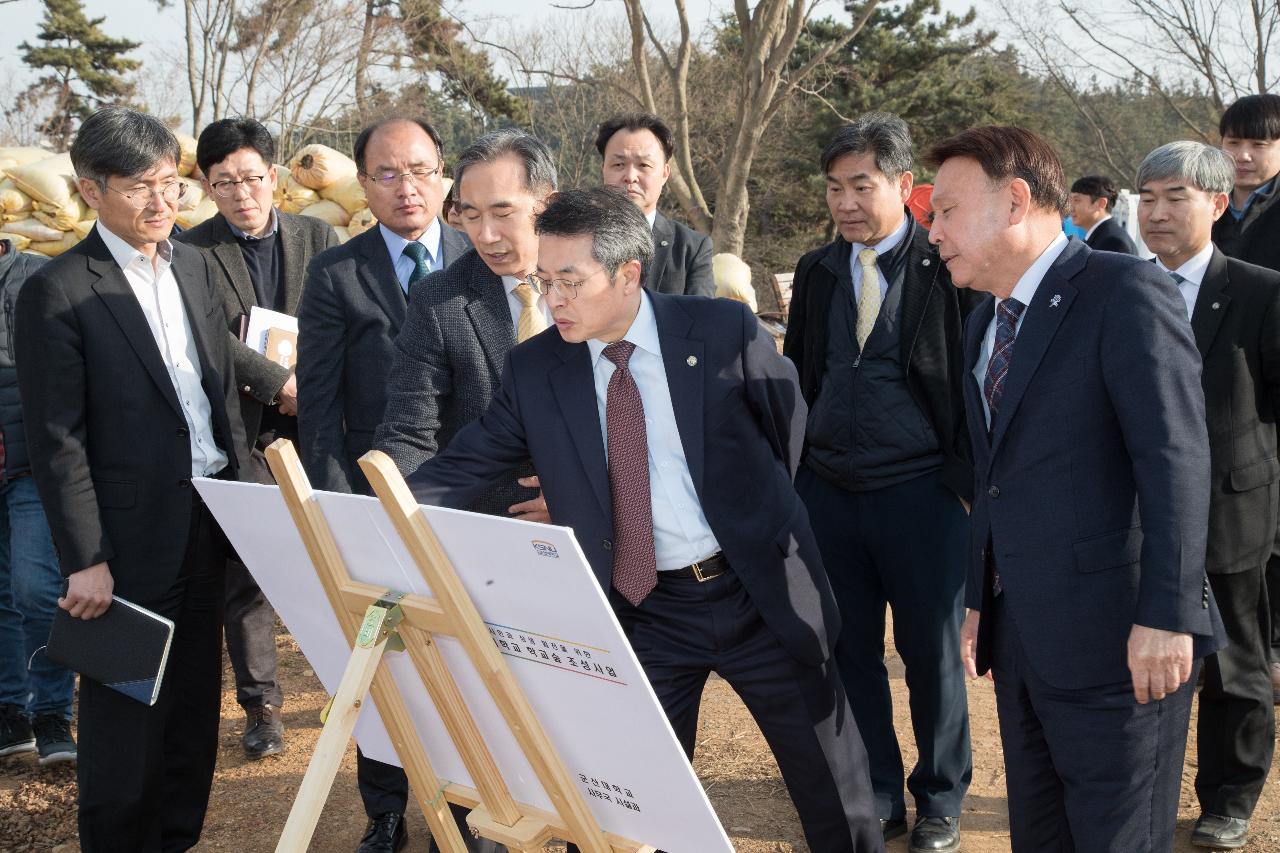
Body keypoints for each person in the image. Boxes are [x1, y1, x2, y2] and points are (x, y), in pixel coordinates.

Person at [405, 186, 884, 853]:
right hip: (644, 609)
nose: (553, 300)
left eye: (571, 281)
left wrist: (751, 519)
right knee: (624, 808)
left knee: (836, 793)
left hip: (759, 594)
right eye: (545, 281)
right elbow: (464, 464)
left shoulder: (721, 332)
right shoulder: (538, 368)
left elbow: (789, 433)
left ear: (628, 274)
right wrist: (374, 511)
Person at [926, 125, 1223, 852]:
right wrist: (977, 600)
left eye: (944, 211)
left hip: (1123, 639)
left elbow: (1175, 460)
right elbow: (995, 477)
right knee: (1043, 835)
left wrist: (1168, 614)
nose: (931, 231)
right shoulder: (983, 323)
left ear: (1016, 201)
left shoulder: (1125, 292)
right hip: (1023, 634)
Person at [15, 106, 248, 852]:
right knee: (124, 718)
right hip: (122, 544)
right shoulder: (58, 290)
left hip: (206, 521)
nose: (162, 203)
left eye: (171, 183)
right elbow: (58, 439)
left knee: (190, 711)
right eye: (141, 187)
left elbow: (216, 388)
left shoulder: (197, 265)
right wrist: (85, 556)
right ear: (90, 189)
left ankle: (177, 837)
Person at [783, 114, 975, 853]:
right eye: (834, 188)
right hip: (830, 491)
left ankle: (941, 798)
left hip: (923, 494)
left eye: (861, 185)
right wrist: (798, 472)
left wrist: (959, 481)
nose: (845, 203)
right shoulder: (817, 269)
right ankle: (879, 790)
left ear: (902, 185)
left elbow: (968, 383)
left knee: (930, 652)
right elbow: (803, 374)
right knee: (850, 649)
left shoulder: (944, 264)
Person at [373, 128, 566, 853]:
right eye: (470, 213)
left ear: (547, 203)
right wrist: (404, 525)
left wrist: (582, 493)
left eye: (505, 212)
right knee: (483, 723)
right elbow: (409, 429)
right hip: (480, 542)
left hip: (596, 542)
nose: (485, 233)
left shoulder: (602, 280)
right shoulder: (440, 300)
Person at [296, 116, 469, 853]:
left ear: (444, 175)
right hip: (374, 501)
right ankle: (388, 807)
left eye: (422, 170)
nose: (408, 187)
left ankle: (468, 798)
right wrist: (341, 512)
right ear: (362, 184)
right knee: (383, 658)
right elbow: (321, 406)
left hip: (468, 501)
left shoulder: (478, 258)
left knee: (465, 659)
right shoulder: (338, 273)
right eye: (389, 173)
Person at [176, 116, 339, 760]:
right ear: (208, 188)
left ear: (274, 178)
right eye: (224, 183)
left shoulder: (317, 234)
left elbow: (341, 311)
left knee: (338, 558)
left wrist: (316, 384)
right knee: (250, 571)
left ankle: (354, 687)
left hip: (325, 422)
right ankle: (262, 706)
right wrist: (279, 383)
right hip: (246, 430)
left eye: (251, 178)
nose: (242, 194)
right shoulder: (193, 252)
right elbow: (207, 336)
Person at [1136, 140, 1280, 850]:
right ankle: (1140, 789)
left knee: (1234, 668)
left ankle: (1230, 794)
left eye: (1175, 198)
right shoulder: (1119, 285)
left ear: (1218, 204)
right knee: (1141, 661)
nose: (1157, 213)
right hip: (1136, 516)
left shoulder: (1260, 291)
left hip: (1231, 513)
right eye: (1148, 198)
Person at [1212, 93, 1280, 703]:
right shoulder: (1207, 211)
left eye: (1258, 144)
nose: (1244, 156)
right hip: (1220, 395)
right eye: (1234, 143)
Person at [0, 238, 76, 767]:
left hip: (30, 462)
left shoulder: (34, 274)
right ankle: (11, 709)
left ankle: (53, 709)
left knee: (37, 588)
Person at [596, 112, 714, 296]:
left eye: (643, 165)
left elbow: (702, 321)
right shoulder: (576, 241)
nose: (630, 176)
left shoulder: (690, 249)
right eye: (618, 164)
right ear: (603, 169)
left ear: (665, 173)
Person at [1068, 175, 1140, 255]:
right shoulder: (1101, 237)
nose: (1071, 208)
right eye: (1071, 200)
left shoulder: (1112, 243)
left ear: (1101, 203)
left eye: (1076, 200)